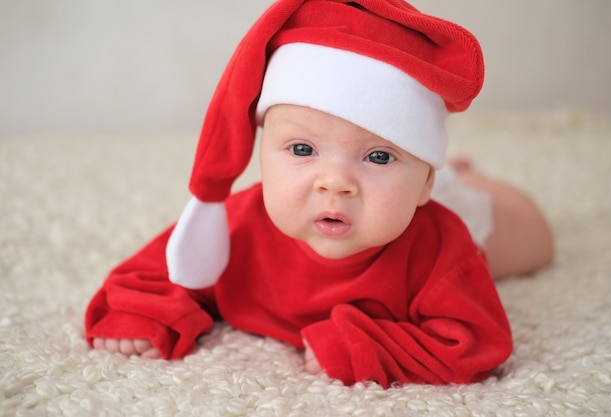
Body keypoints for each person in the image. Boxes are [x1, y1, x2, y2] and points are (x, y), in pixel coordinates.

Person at [86, 0, 553, 388]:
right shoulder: (239, 223)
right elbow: (157, 273)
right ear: (262, 155)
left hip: (449, 205)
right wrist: (141, 318)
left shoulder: (441, 248)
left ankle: (463, 178)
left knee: (534, 242)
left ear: (423, 183)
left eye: (378, 156)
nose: (335, 182)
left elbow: (475, 345)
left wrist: (366, 348)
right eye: (303, 149)